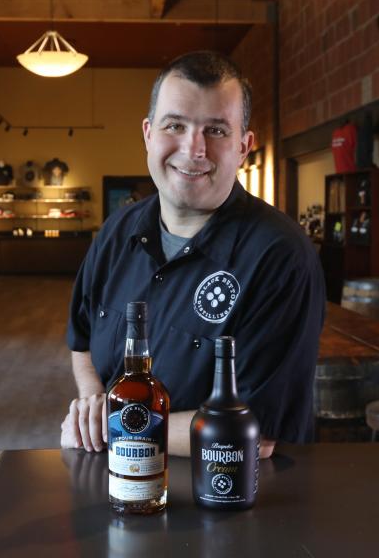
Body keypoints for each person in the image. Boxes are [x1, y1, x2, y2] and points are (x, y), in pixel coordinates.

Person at [61, 51, 325, 458]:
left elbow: (258, 432)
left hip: (229, 503)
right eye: (175, 125)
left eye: (216, 130)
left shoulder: (280, 256)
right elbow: (81, 341)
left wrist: (116, 427)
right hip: (118, 486)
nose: (193, 148)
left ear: (243, 146)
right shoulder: (117, 231)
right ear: (149, 133)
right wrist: (94, 400)